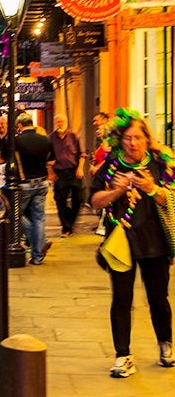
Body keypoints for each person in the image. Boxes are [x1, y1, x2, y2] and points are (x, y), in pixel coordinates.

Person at [88, 110, 175, 378]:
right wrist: (116, 191)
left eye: (138, 137)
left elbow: (171, 201)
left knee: (158, 299)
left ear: (147, 138)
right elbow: (94, 202)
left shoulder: (161, 164)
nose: (133, 143)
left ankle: (165, 343)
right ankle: (123, 356)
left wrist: (151, 188)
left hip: (155, 243)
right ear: (119, 139)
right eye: (127, 138)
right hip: (121, 242)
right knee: (121, 300)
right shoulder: (111, 166)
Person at [12, 113, 54, 265]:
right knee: (38, 218)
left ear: (20, 125)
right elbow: (52, 160)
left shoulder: (16, 141)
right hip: (42, 182)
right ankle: (37, 256)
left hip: (24, 183)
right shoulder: (45, 140)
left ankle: (39, 243)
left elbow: (4, 159)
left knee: (15, 214)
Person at [48, 113, 86, 237]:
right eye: (58, 122)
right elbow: (47, 158)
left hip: (74, 171)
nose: (60, 124)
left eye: (62, 121)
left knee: (79, 198)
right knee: (60, 200)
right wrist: (51, 173)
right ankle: (66, 228)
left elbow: (82, 154)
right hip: (59, 173)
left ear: (66, 122)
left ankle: (70, 221)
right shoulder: (51, 138)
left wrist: (80, 168)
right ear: (55, 123)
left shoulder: (74, 136)